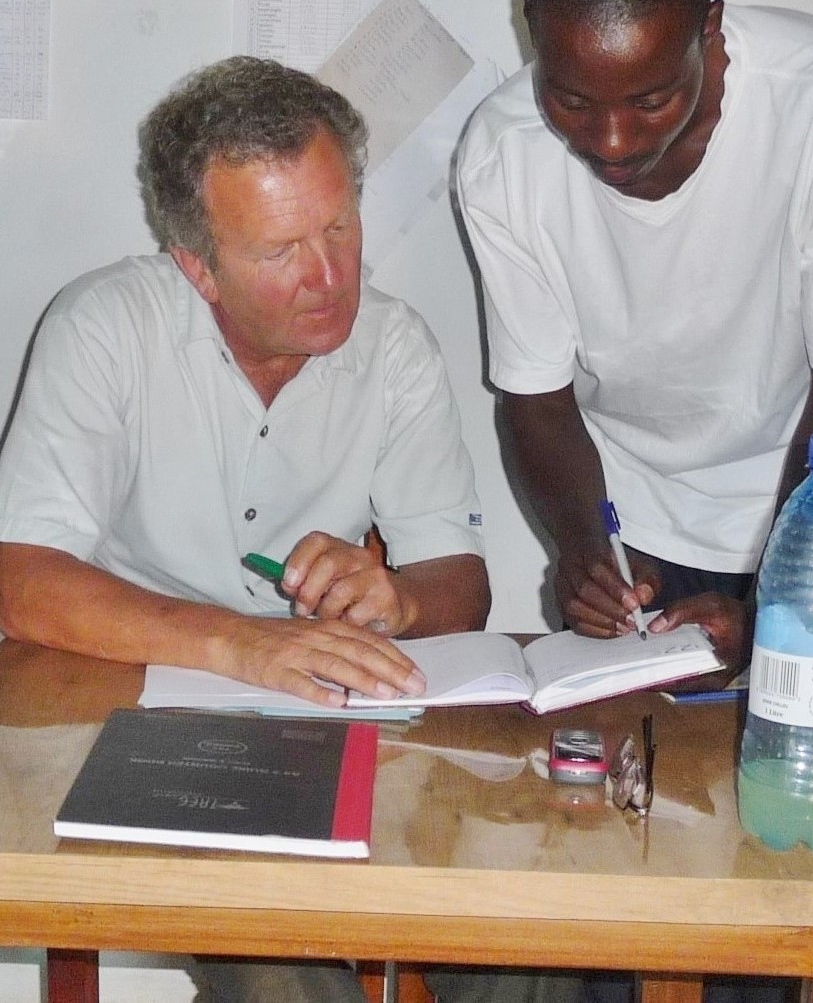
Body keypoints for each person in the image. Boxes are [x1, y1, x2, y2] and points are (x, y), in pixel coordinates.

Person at [0, 58, 586, 1003]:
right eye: (279, 251)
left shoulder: (393, 347)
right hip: (142, 720)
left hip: (335, 721)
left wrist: (397, 599)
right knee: (283, 966)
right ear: (197, 267)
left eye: (340, 226)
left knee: (528, 950)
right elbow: (21, 578)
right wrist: (244, 644)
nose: (328, 276)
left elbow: (458, 582)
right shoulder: (103, 327)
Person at [456, 0, 813, 728]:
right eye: (571, 100)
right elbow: (536, 400)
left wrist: (782, 603)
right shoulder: (498, 160)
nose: (610, 143)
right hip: (648, 531)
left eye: (649, 99)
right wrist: (584, 550)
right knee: (653, 810)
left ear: (708, 29)